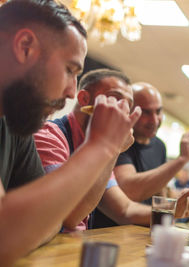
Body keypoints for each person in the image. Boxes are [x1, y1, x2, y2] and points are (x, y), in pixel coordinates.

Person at [0, 0, 136, 265]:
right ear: (25, 47)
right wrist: (100, 147)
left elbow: (50, 222)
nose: (71, 92)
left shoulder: (14, 121)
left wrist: (27, 225)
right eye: (69, 70)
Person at [34, 69, 189, 230]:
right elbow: (69, 217)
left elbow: (125, 210)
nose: (122, 111)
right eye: (114, 100)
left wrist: (174, 211)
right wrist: (113, 147)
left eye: (127, 105)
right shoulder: (50, 137)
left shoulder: (100, 148)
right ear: (84, 99)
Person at [113, 82, 189, 203]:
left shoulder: (159, 146)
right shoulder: (117, 141)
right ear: (129, 111)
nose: (154, 120)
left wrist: (180, 206)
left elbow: (159, 194)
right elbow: (129, 190)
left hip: (147, 222)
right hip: (120, 222)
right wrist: (181, 159)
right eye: (146, 112)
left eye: (158, 112)